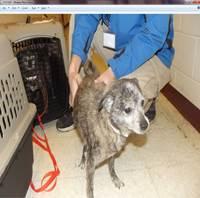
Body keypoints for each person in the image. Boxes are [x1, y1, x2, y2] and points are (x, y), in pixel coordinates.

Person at [56, 14, 174, 132]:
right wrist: (73, 69)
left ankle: (149, 97)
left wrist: (113, 71)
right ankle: (79, 101)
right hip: (115, 39)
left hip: (150, 52)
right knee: (78, 13)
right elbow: (87, 16)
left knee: (125, 99)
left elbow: (154, 35)